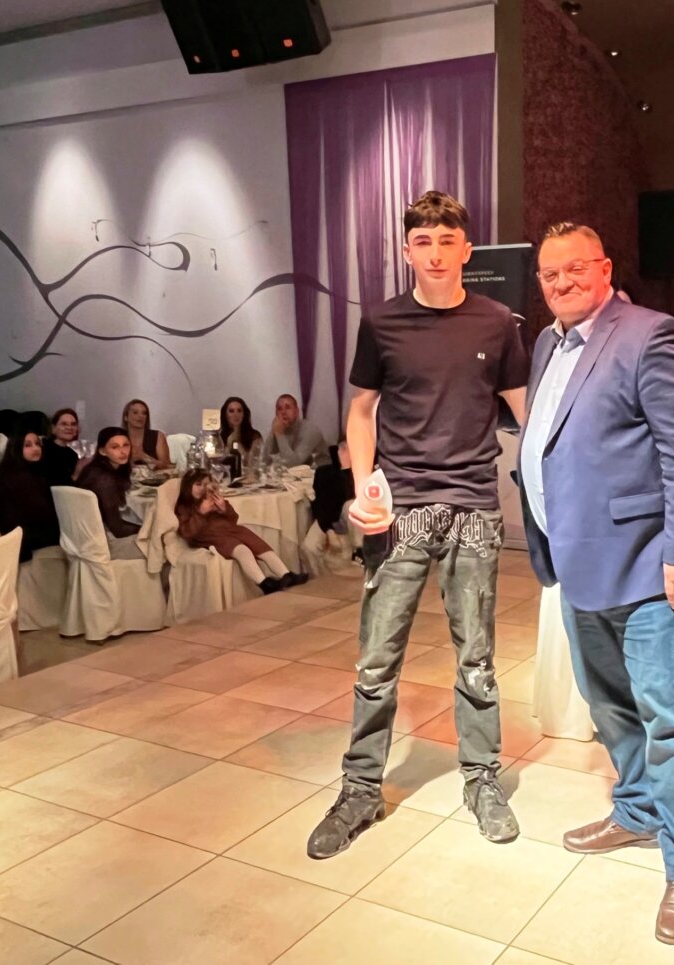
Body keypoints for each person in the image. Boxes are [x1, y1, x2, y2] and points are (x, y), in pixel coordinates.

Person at [306, 190, 529, 860]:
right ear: (407, 250)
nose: (434, 253)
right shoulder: (382, 322)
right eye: (422, 242)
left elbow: (528, 409)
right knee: (377, 659)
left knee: (477, 658)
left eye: (446, 241)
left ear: (467, 249)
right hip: (399, 508)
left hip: (473, 505)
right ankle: (360, 787)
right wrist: (363, 489)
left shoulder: (497, 322)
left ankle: (482, 779)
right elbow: (362, 410)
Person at [517, 222, 674, 945]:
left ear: (604, 268)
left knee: (670, 720)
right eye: (549, 275)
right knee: (609, 706)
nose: (562, 283)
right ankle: (637, 810)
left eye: (575, 268)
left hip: (645, 566)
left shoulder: (648, 334)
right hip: (578, 564)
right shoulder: (547, 345)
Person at [174, 467, 305, 592]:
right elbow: (189, 532)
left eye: (206, 484)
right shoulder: (184, 507)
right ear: (187, 487)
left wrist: (224, 509)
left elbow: (233, 519)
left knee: (258, 545)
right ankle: (264, 583)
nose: (203, 488)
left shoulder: (211, 499)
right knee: (242, 550)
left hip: (230, 530)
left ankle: (285, 574)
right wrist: (202, 513)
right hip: (210, 536)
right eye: (198, 485)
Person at [0, 423, 61, 560]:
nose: (35, 448)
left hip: (6, 536)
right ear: (16, 448)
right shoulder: (17, 477)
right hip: (10, 538)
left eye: (37, 444)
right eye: (27, 445)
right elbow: (39, 515)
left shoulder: (16, 471)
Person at [76, 426, 143, 559]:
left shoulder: (101, 469)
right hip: (98, 540)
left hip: (91, 533)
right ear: (102, 451)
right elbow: (118, 529)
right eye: (115, 447)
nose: (123, 451)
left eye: (126, 445)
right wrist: (146, 529)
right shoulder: (103, 479)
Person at [260, 393, 330, 468]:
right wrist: (274, 433)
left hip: (321, 472)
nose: (283, 412)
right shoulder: (278, 428)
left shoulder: (310, 430)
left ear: (296, 411)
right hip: (295, 473)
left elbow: (293, 464)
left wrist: (279, 434)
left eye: (287, 407)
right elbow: (265, 461)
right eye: (279, 409)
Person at [121, 399, 172, 470]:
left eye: (144, 413)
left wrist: (144, 457)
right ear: (126, 417)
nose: (140, 416)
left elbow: (167, 466)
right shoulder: (119, 437)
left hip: (155, 476)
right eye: (135, 412)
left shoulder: (157, 436)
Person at [43, 407, 83, 485]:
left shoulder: (72, 455)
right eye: (64, 424)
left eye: (73, 424)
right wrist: (77, 473)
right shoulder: (44, 449)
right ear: (53, 428)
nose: (69, 428)